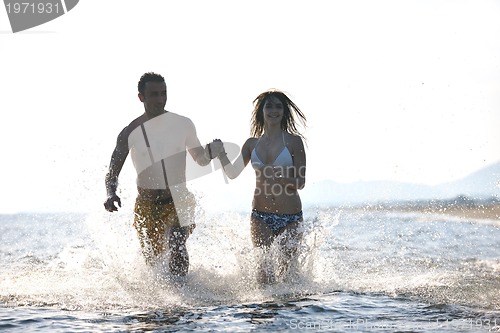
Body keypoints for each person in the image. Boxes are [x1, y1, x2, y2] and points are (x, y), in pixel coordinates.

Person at [103, 72, 223, 278]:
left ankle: (182, 296)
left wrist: (213, 151)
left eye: (163, 93)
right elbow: (112, 173)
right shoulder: (130, 132)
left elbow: (201, 159)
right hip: (146, 206)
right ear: (141, 97)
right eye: (154, 94)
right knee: (154, 264)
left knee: (177, 243)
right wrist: (110, 193)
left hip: (179, 199)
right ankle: (164, 302)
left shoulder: (183, 124)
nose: (160, 99)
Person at [216, 90, 307, 284]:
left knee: (286, 277)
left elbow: (301, 182)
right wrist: (221, 154)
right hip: (260, 216)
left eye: (278, 107)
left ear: (284, 112)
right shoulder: (251, 144)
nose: (273, 110)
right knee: (264, 276)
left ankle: (290, 313)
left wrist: (282, 178)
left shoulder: (293, 141)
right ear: (261, 111)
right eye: (269, 106)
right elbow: (232, 173)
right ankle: (265, 312)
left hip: (291, 217)